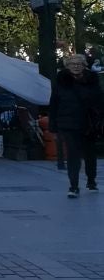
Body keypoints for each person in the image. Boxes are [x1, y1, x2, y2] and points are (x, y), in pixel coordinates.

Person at [51, 54, 104, 197]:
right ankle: (73, 186)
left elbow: (100, 101)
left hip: (89, 123)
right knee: (73, 154)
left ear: (84, 66)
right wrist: (53, 127)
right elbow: (54, 104)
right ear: (67, 66)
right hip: (68, 123)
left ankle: (91, 180)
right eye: (72, 64)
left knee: (90, 153)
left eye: (78, 64)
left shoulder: (92, 81)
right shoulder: (61, 82)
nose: (75, 66)